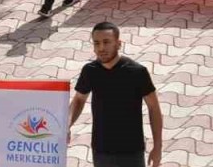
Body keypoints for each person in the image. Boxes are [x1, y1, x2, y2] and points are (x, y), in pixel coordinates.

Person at [69, 22, 164, 167]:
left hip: (131, 151)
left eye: (106, 42)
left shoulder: (137, 72)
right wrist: (67, 125)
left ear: (118, 44)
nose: (101, 48)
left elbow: (154, 108)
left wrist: (157, 147)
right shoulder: (90, 71)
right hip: (101, 150)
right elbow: (79, 100)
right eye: (97, 43)